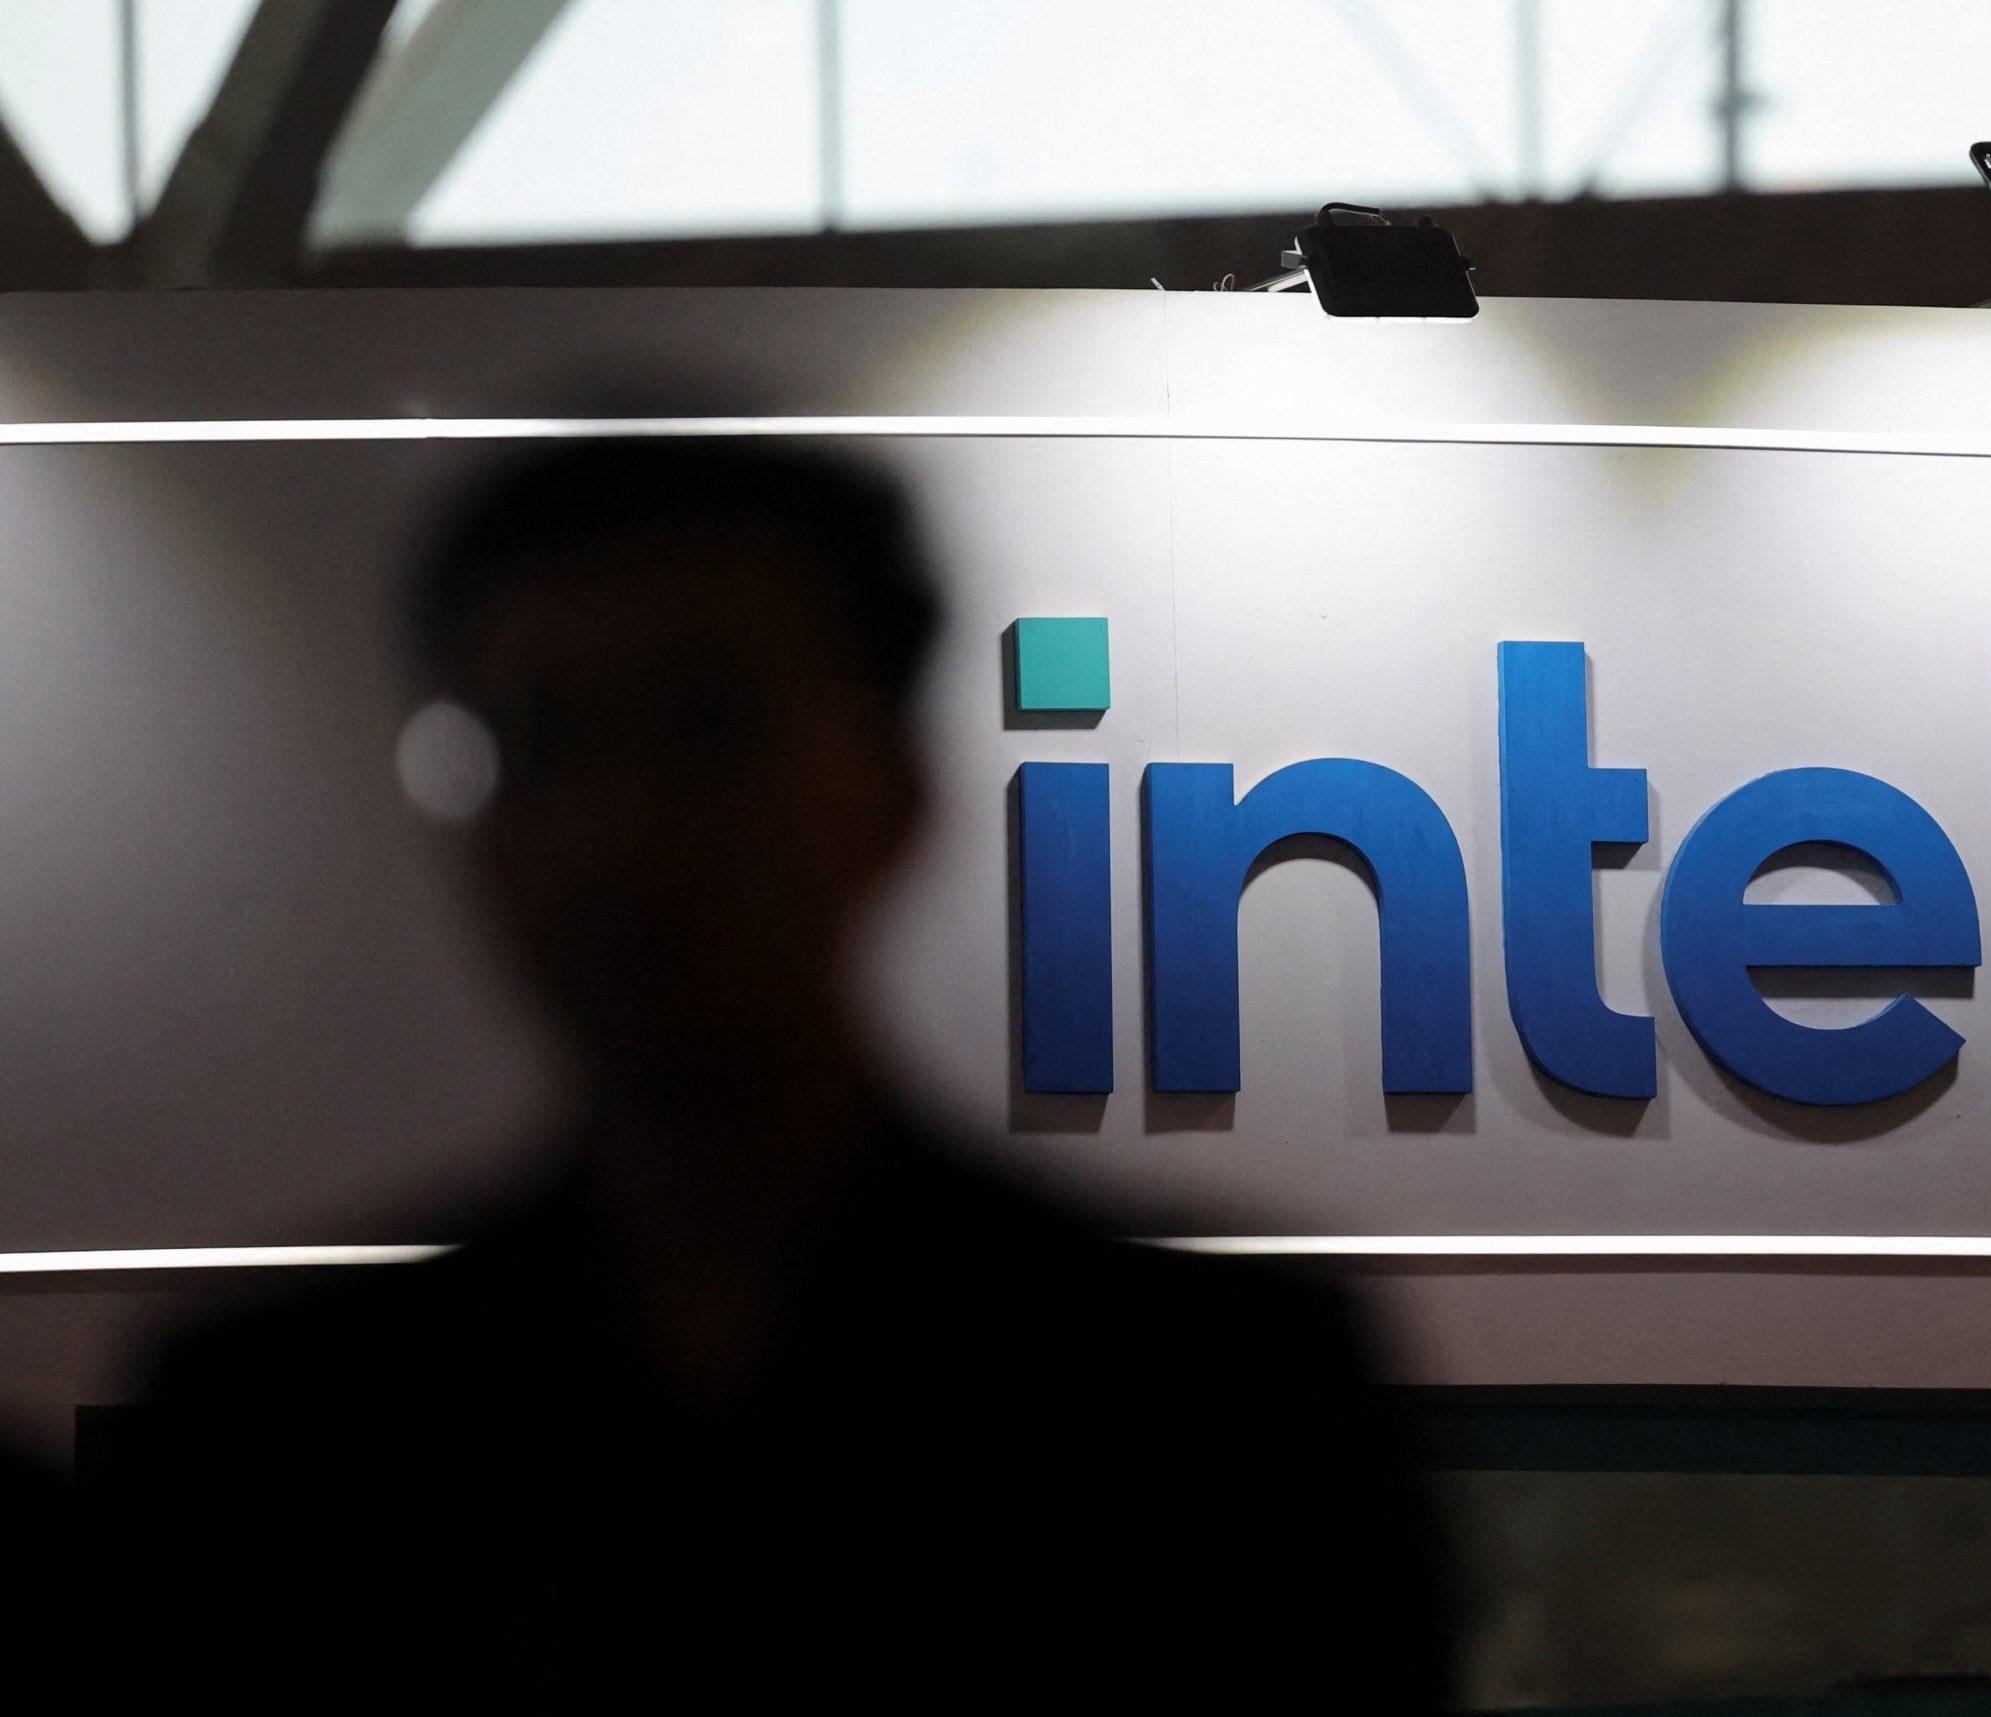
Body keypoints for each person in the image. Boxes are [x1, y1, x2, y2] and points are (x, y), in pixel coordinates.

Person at [102, 441, 1450, 1710]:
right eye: (538, 741)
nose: (620, 836)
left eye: (707, 730)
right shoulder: (268, 1450)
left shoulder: (1228, 1421)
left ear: (892, 791)